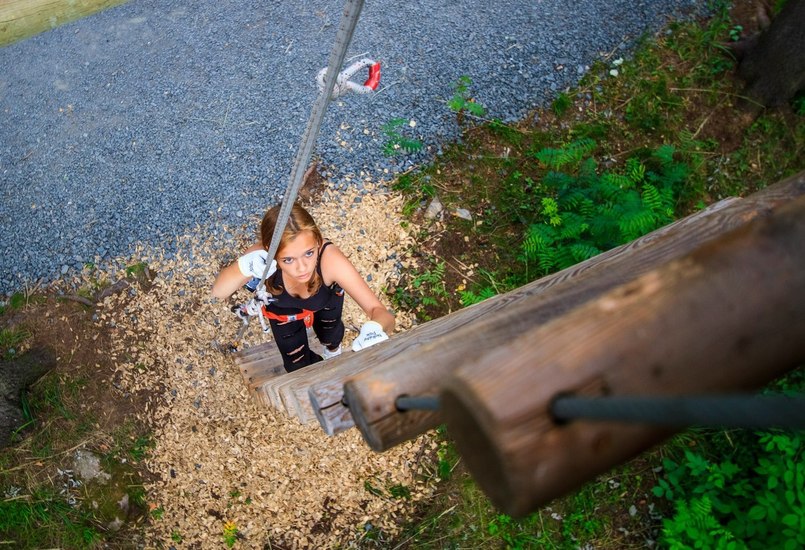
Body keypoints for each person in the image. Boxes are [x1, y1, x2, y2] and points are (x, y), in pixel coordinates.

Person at [212, 203, 394, 371]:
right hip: (280, 308)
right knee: (295, 362)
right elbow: (219, 292)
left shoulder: (329, 259)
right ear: (270, 249)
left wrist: (376, 328)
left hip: (324, 300)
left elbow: (378, 311)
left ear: (317, 241)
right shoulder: (259, 259)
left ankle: (332, 351)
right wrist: (242, 267)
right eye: (288, 259)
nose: (302, 268)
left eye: (309, 253)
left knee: (330, 334)